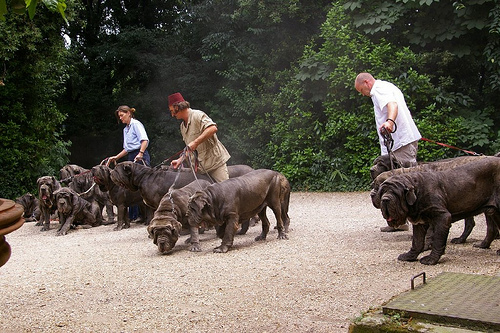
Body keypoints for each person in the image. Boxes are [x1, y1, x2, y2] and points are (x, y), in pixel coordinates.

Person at [355, 72, 421, 232]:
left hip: (401, 142)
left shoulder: (379, 89)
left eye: (361, 90)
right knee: (398, 180)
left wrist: (390, 122)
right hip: (400, 142)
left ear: (366, 82)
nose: (362, 94)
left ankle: (420, 225)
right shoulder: (387, 86)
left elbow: (392, 105)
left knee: (408, 181)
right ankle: (400, 220)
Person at [168, 92, 230, 182]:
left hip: (215, 164)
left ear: (177, 107)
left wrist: (196, 142)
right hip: (199, 169)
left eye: (172, 111)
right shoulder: (182, 126)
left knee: (225, 193)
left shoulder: (197, 115)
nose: (172, 115)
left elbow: (213, 128)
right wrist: (180, 160)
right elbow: (190, 148)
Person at [108, 105, 150, 222]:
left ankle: (149, 215)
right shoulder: (125, 129)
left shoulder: (136, 124)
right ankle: (136, 215)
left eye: (122, 115)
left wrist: (141, 153)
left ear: (129, 114)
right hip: (131, 155)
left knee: (144, 184)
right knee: (131, 185)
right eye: (119, 116)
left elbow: (144, 140)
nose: (120, 118)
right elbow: (127, 148)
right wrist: (116, 157)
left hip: (140, 155)